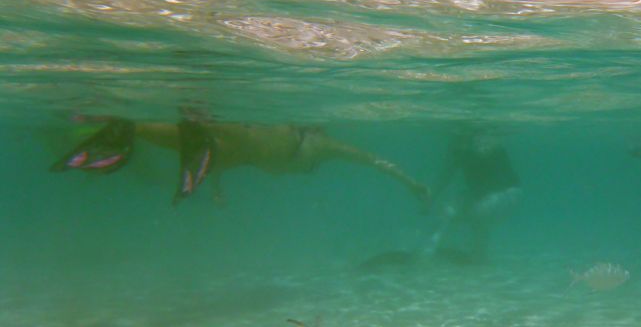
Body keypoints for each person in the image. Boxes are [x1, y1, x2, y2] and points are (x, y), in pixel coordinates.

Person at [51, 116, 431, 206]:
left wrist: (215, 182)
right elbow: (371, 160)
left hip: (241, 150)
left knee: (198, 140)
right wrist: (412, 183)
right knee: (222, 138)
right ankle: (123, 129)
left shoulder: (317, 145)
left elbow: (232, 161)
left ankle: (126, 128)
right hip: (273, 144)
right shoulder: (322, 145)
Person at [427, 126, 522, 262]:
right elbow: (446, 174)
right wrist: (432, 195)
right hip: (477, 192)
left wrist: (473, 142)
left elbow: (485, 150)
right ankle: (427, 252)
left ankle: (479, 255)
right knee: (446, 210)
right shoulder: (457, 147)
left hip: (506, 192)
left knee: (481, 212)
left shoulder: (487, 139)